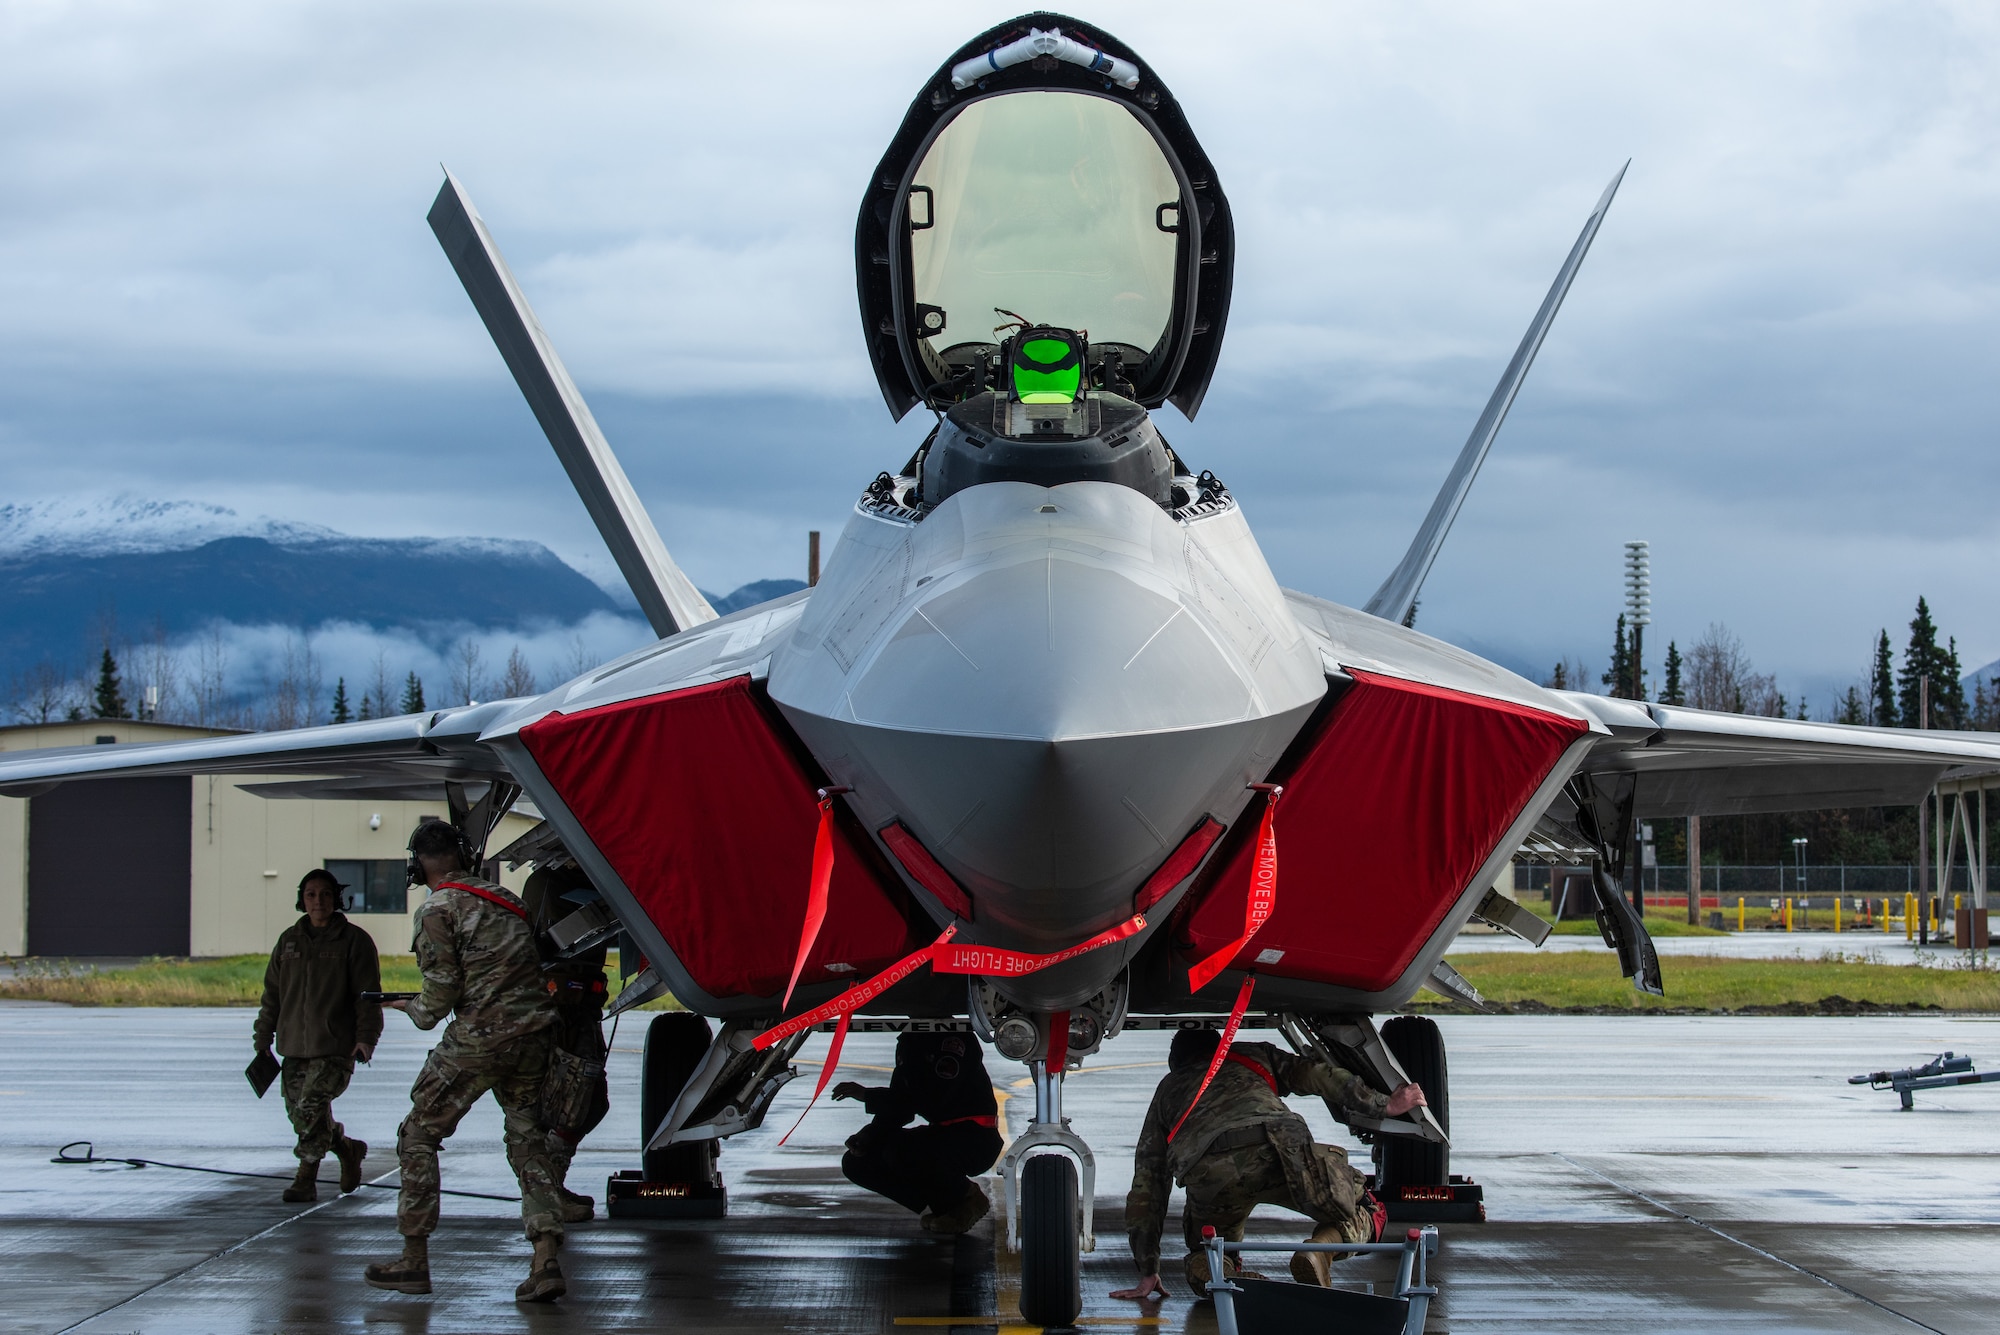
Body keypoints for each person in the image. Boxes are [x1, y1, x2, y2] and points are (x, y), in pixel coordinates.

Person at [363, 820, 568, 1303]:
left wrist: (407, 1006)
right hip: (535, 1035)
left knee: (417, 1134)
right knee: (528, 1141)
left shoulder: (437, 909)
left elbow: (436, 1005)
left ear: (418, 866)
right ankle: (546, 1260)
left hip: (480, 1038)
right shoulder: (507, 899)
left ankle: (414, 1260)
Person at [1113, 1028, 1428, 1302]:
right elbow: (1316, 1074)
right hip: (1282, 1151)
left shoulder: (1168, 1090)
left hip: (1212, 1172)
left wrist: (1148, 1267)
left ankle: (1224, 1277)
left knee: (1207, 1249)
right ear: (1221, 1046)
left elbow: (1148, 1184)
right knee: (1368, 1209)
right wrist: (1382, 1104)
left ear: (1177, 1064)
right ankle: (1320, 1251)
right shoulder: (1251, 1055)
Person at [254, 868, 382, 1203]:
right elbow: (272, 995)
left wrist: (367, 1039)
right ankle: (345, 1146)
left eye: (325, 894)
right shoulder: (289, 941)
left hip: (335, 1046)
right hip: (294, 1046)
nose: (318, 901)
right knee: (300, 1114)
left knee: (311, 1107)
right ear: (302, 900)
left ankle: (305, 1178)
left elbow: (368, 995)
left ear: (336, 898)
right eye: (311, 894)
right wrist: (262, 1039)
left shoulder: (354, 941)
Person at [833, 1030, 1001, 1233]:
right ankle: (947, 1206)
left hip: (973, 1138)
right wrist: (869, 1135)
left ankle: (964, 1198)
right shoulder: (910, 1039)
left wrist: (868, 1095)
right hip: (941, 1136)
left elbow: (931, 1098)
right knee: (857, 1162)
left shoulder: (954, 1038)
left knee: (905, 1152)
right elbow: (902, 1107)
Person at [520, 862, 611, 1222]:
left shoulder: (598, 879)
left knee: (591, 1102)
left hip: (583, 1007)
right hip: (553, 1010)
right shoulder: (545, 883)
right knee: (560, 1104)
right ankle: (545, 1191)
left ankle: (550, 1183)